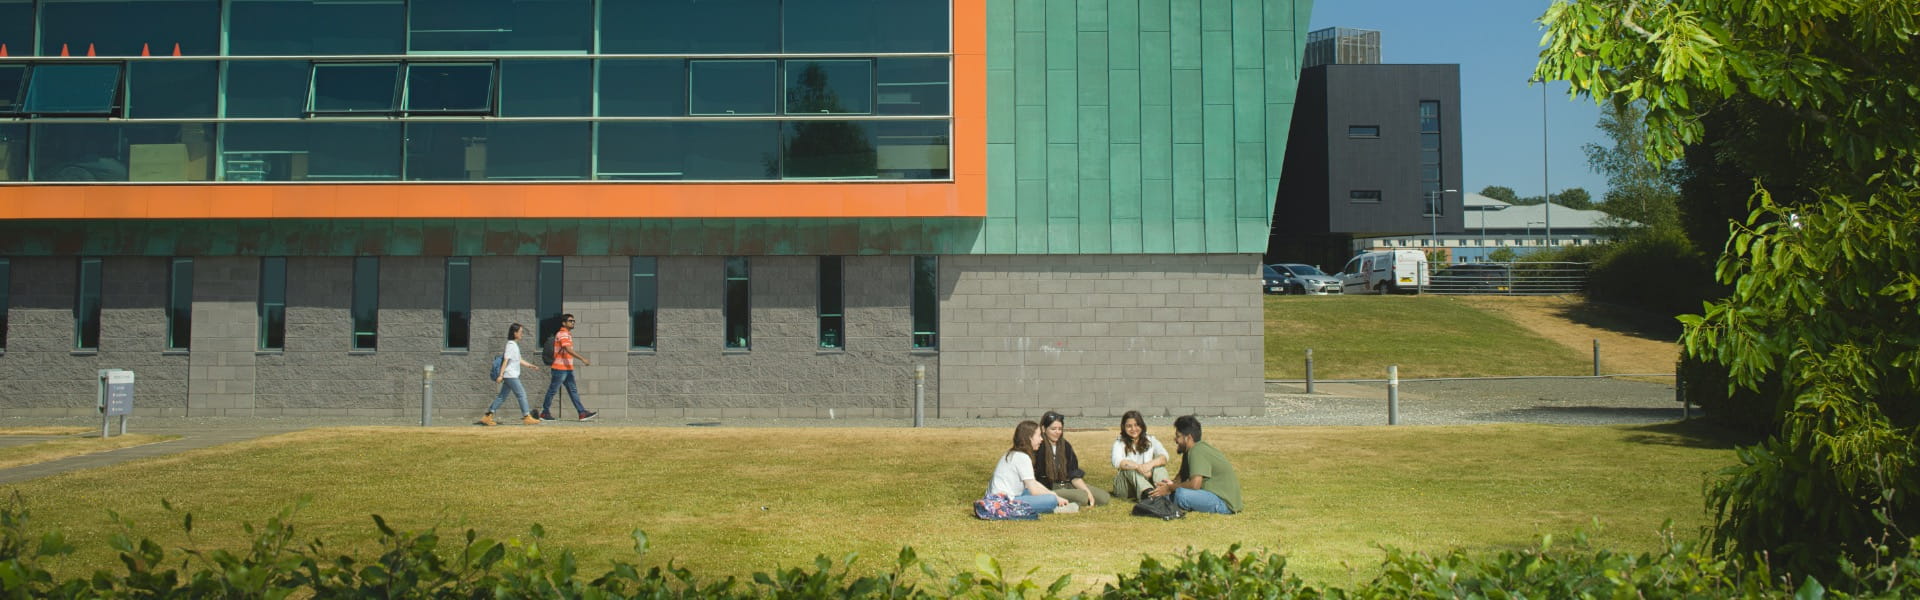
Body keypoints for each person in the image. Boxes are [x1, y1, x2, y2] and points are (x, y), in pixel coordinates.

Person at [1148, 415, 1242, 514]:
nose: (1175, 440)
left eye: (1178, 436)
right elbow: (1181, 478)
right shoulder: (1190, 451)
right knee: (1176, 492)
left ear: (1188, 438)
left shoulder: (1197, 451)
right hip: (1211, 496)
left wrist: (1170, 488)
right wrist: (1168, 484)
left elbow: (1195, 485)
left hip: (1224, 503)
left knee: (1181, 495)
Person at [987, 420, 1070, 514]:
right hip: (1003, 503)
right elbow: (1034, 490)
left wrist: (1053, 494)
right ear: (1029, 437)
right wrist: (1054, 497)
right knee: (1050, 500)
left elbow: (1032, 483)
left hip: (1000, 499)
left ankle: (1053, 502)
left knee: (1037, 493)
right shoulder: (1022, 457)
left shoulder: (1014, 454)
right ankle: (1055, 507)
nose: (1041, 439)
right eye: (1039, 436)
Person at [1034, 411, 1111, 508]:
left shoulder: (1065, 445)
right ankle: (1061, 502)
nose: (1057, 432)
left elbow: (1073, 475)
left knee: (1103, 498)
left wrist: (1088, 492)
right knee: (1082, 497)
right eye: (1053, 429)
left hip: (1067, 483)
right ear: (1044, 429)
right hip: (1049, 487)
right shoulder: (1038, 446)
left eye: (1060, 429)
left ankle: (1070, 500)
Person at [539, 313, 598, 421]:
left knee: (572, 391)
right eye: (570, 321)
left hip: (567, 368)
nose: (573, 322)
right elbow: (567, 349)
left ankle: (582, 413)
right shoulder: (562, 334)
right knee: (553, 390)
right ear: (564, 323)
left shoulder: (567, 334)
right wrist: (582, 359)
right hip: (560, 368)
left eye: (573, 321)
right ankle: (544, 412)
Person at [481, 323, 542, 426]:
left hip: (510, 375)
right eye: (520, 332)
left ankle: (488, 416)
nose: (522, 334)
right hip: (511, 375)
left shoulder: (514, 345)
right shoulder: (510, 345)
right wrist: (500, 375)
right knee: (521, 394)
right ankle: (527, 416)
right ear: (515, 333)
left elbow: (519, 360)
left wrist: (530, 366)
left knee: (502, 397)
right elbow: (506, 360)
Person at [1110, 410, 1170, 500]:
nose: (1133, 429)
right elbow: (1117, 462)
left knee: (1159, 467)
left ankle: (1163, 491)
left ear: (1141, 426)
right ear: (1124, 427)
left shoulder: (1150, 439)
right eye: (1129, 426)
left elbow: (1164, 456)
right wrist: (1138, 467)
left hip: (1146, 479)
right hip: (1126, 487)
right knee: (1130, 468)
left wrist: (1150, 465)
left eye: (1136, 425)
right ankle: (1149, 496)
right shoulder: (1119, 442)